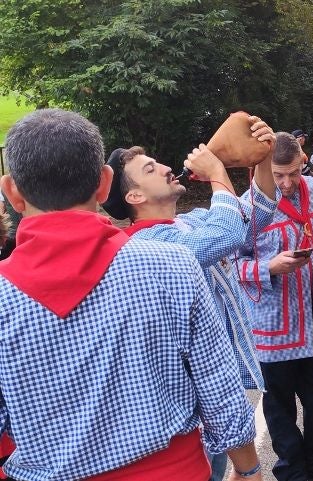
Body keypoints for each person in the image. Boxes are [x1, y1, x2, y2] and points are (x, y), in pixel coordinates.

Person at [0, 108, 262, 480]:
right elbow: (218, 388)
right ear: (105, 184)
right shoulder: (173, 264)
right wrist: (249, 470)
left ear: (12, 191)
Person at [99, 117, 278, 481]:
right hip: (185, 410)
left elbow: (254, 217)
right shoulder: (148, 246)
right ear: (135, 197)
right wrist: (216, 171)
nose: (166, 167)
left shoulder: (189, 223)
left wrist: (261, 157)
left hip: (213, 397)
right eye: (151, 168)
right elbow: (228, 233)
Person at [236, 133, 313, 481]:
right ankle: (292, 472)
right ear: (263, 170)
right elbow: (232, 265)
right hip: (274, 329)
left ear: (303, 163)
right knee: (280, 409)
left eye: (293, 173)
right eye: (278, 175)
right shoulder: (246, 207)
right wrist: (269, 267)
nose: (286, 183)